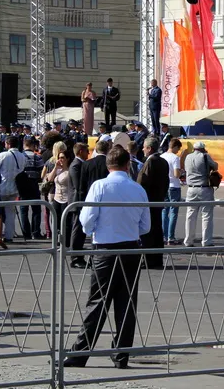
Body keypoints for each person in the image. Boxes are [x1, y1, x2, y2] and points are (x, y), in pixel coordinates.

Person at [64, 146, 150, 369]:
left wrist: (96, 230)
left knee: (98, 302)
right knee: (127, 303)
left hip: (105, 249)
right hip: (131, 249)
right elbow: (146, 226)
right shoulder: (137, 189)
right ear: (127, 165)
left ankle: (79, 353)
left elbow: (87, 220)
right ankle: (121, 354)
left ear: (108, 165)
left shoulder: (100, 186)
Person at [75, 139, 112, 268]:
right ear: (107, 150)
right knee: (100, 231)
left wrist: (81, 202)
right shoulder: (109, 165)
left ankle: (77, 256)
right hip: (105, 201)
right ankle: (95, 257)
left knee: (85, 229)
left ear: (96, 150)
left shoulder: (87, 164)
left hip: (88, 200)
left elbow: (81, 186)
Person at [137, 137, 169, 269]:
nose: (143, 149)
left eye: (144, 147)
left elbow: (143, 183)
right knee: (157, 230)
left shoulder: (150, 162)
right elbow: (166, 182)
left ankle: (149, 259)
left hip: (149, 202)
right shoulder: (163, 161)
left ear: (149, 148)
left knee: (148, 232)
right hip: (158, 200)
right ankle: (156, 259)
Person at [184, 141, 218, 247]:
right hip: (204, 188)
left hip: (191, 188)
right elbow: (215, 166)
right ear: (203, 149)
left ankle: (188, 240)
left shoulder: (188, 157)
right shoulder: (205, 156)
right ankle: (206, 241)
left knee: (190, 216)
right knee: (206, 215)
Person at [46, 144, 76, 256]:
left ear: (68, 158)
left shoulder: (70, 170)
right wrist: (55, 167)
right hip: (57, 198)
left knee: (66, 223)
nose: (60, 160)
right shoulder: (58, 170)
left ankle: (66, 244)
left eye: (62, 157)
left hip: (66, 199)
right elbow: (49, 179)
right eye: (59, 157)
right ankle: (57, 243)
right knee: (55, 221)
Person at [0, 136, 26, 242]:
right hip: (15, 187)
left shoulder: (2, 155)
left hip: (2, 186)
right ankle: (9, 235)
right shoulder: (22, 156)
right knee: (10, 213)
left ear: (8, 144)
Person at [19, 137, 45, 240]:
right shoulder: (37, 157)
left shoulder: (20, 156)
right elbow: (41, 170)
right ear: (32, 146)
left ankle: (26, 233)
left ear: (24, 145)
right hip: (33, 184)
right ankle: (36, 232)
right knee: (36, 210)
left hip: (22, 185)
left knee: (23, 210)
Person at [160, 138, 183, 246]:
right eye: (178, 148)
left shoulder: (162, 156)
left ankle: (164, 236)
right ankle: (171, 237)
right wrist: (181, 171)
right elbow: (176, 174)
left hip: (164, 185)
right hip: (174, 186)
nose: (178, 151)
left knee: (164, 211)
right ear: (175, 147)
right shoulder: (175, 158)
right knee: (174, 212)